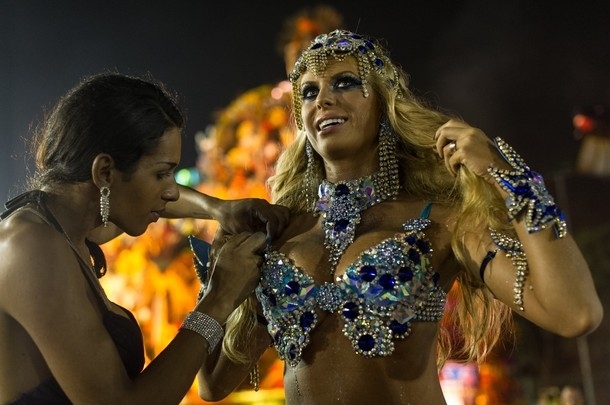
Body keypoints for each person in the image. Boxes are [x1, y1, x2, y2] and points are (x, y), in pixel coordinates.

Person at [190, 29, 603, 404]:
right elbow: (213, 384)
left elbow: (575, 313)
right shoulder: (281, 234)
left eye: (344, 82)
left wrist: (507, 175)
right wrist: (218, 282)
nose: (323, 100)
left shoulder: (441, 222)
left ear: (385, 104)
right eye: (310, 92)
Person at [0, 72, 289, 404]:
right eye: (162, 173)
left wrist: (219, 209)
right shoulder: (31, 248)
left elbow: (159, 202)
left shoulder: (70, 230)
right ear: (105, 172)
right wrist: (219, 298)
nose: (170, 189)